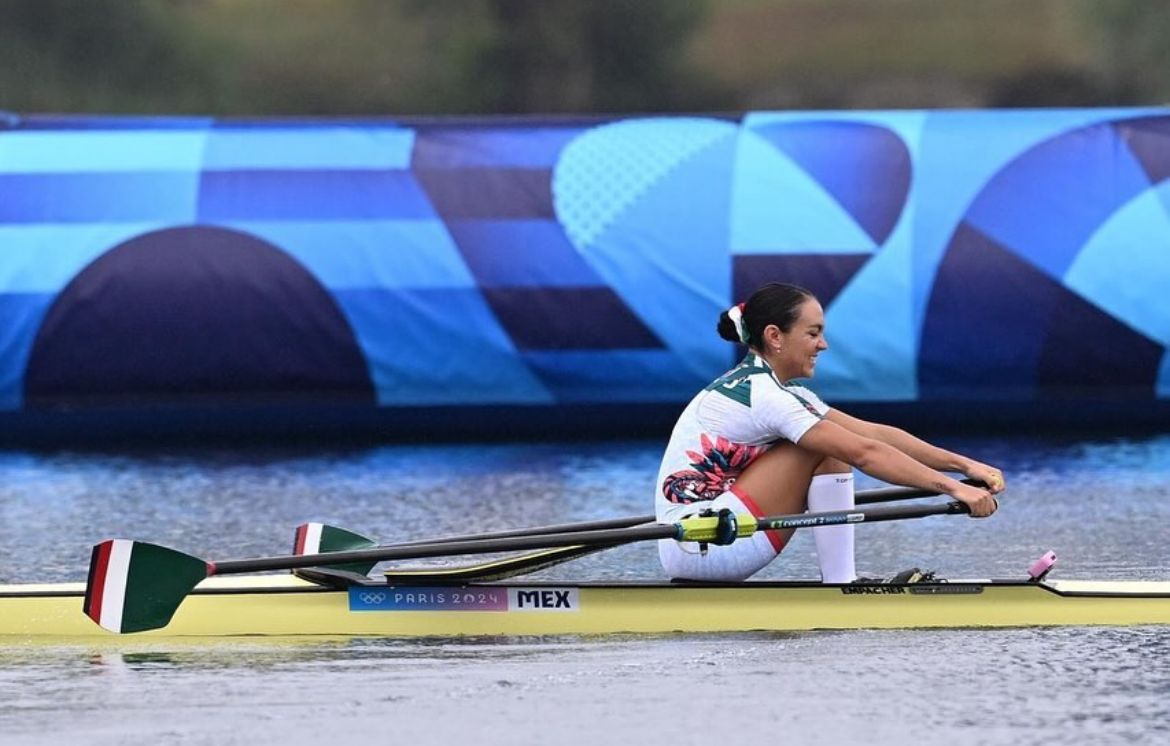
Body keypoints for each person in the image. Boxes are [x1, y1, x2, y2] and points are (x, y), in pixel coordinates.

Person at [654, 282, 1004, 583]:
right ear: (774, 336)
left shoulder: (777, 390)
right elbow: (864, 452)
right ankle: (841, 584)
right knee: (825, 446)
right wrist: (955, 489)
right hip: (705, 541)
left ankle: (840, 581)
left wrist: (965, 466)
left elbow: (874, 434)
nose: (823, 345)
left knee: (832, 440)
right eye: (813, 333)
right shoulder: (765, 397)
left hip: (711, 536)